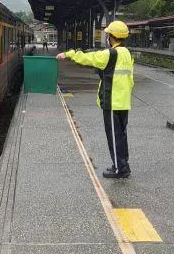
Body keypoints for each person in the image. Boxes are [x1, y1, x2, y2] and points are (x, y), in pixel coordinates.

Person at [56, 20, 134, 178]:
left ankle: (120, 169)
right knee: (121, 135)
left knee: (114, 136)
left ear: (111, 37)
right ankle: (123, 164)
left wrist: (69, 54)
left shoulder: (110, 54)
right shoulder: (126, 53)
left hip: (112, 101)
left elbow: (88, 58)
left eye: (107, 35)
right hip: (123, 101)